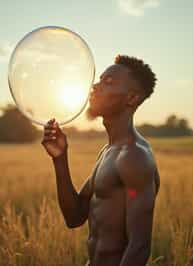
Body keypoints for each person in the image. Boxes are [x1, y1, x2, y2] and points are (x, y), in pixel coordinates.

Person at [41, 55, 160, 266]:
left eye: (109, 82)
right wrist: (60, 159)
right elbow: (74, 217)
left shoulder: (134, 156)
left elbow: (139, 247)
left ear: (131, 98)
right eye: (100, 79)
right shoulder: (108, 151)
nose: (95, 86)